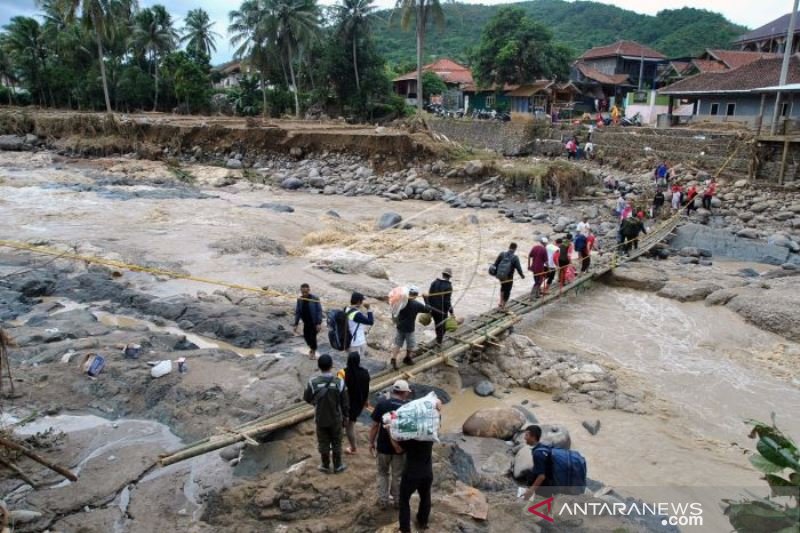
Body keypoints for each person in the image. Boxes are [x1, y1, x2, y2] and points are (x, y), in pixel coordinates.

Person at [303, 354, 349, 473]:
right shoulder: (339, 382)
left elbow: (307, 398)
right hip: (335, 418)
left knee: (323, 442)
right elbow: (345, 403)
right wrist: (346, 417)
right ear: (331, 366)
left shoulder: (313, 383)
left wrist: (315, 403)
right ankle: (338, 466)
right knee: (337, 441)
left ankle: (325, 465)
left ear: (319, 366)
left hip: (320, 418)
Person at [369, 379, 411, 509]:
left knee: (382, 473)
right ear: (404, 393)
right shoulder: (407, 407)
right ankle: (398, 501)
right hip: (400, 448)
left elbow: (375, 426)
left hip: (383, 447)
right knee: (397, 475)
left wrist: (371, 442)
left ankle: (383, 501)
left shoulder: (382, 404)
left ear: (394, 391)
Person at [392, 420, 436, 533]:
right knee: (425, 497)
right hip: (427, 473)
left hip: (411, 474)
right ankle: (423, 522)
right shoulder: (430, 437)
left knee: (404, 500)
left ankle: (405, 529)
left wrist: (390, 430)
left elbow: (398, 447)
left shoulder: (410, 440)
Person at [391, 287, 432, 370]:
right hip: (409, 328)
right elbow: (428, 309)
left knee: (397, 343)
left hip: (400, 326)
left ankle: (393, 359)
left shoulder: (401, 302)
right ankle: (407, 358)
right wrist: (426, 298)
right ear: (416, 295)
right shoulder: (416, 304)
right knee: (411, 345)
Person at [339, 351, 370, 455]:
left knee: (344, 425)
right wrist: (366, 401)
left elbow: (339, 390)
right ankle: (353, 447)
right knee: (350, 424)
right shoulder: (365, 372)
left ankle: (351, 447)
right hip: (358, 403)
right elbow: (366, 389)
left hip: (345, 404)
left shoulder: (342, 373)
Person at [522, 425, 554, 500]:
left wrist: (530, 491)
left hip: (545, 486)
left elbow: (541, 476)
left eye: (527, 435)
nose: (524, 438)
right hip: (549, 483)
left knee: (540, 506)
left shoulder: (538, 453)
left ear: (533, 437)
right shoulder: (541, 447)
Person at [425, 269, 456, 345]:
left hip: (432, 309)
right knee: (442, 328)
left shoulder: (434, 282)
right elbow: (447, 302)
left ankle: (438, 340)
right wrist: (451, 312)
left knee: (437, 325)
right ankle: (439, 343)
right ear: (449, 277)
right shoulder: (448, 286)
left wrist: (429, 308)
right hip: (441, 311)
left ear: (442, 274)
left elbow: (429, 296)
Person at [293, 283, 323, 360]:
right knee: (306, 337)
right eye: (303, 292)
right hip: (306, 322)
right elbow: (298, 312)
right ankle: (312, 349)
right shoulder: (300, 299)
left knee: (312, 338)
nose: (304, 294)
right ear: (301, 291)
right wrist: (296, 324)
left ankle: (313, 352)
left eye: (306, 292)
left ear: (309, 290)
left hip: (314, 322)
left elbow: (319, 311)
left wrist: (319, 323)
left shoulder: (314, 298)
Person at [493, 243, 525, 309]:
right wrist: (522, 275)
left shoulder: (502, 254)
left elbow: (495, 264)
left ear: (509, 247)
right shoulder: (515, 258)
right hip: (509, 277)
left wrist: (496, 273)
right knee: (507, 290)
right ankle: (503, 306)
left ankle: (500, 302)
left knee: (502, 287)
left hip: (501, 276)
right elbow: (518, 268)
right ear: (515, 249)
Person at [346, 292, 373, 357]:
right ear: (358, 302)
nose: (362, 302)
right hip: (358, 342)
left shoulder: (347, 309)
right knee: (358, 362)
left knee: (351, 361)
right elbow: (370, 321)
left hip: (350, 340)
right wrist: (369, 309)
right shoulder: (356, 314)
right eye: (362, 301)